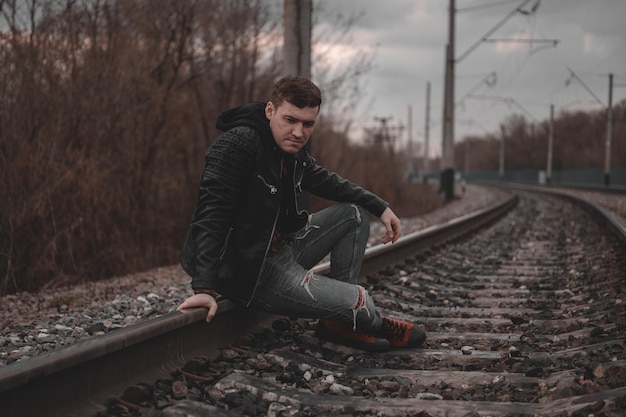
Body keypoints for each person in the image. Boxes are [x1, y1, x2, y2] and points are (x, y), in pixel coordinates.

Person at [177, 76, 426, 352]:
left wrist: (379, 206)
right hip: (252, 270)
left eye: (308, 124)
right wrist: (204, 289)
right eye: (290, 120)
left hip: (280, 250)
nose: (299, 132)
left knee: (354, 215)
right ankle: (364, 320)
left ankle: (340, 325)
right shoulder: (237, 144)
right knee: (360, 301)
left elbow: (324, 179)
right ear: (270, 111)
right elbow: (211, 214)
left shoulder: (288, 148)